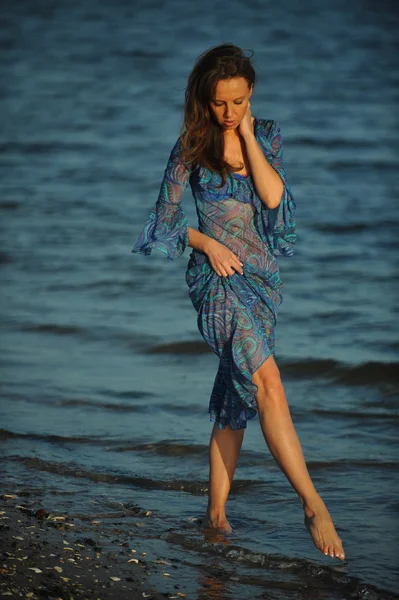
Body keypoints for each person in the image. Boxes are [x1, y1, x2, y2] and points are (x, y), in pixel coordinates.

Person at [132, 43, 345, 561]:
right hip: (216, 286)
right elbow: (162, 222)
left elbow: (273, 199)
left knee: (233, 402)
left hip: (262, 283)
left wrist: (248, 136)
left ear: (251, 96)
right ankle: (313, 503)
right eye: (220, 104)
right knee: (268, 382)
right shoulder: (189, 148)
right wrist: (206, 243)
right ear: (204, 99)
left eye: (239, 102)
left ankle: (215, 515)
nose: (228, 113)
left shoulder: (266, 135)